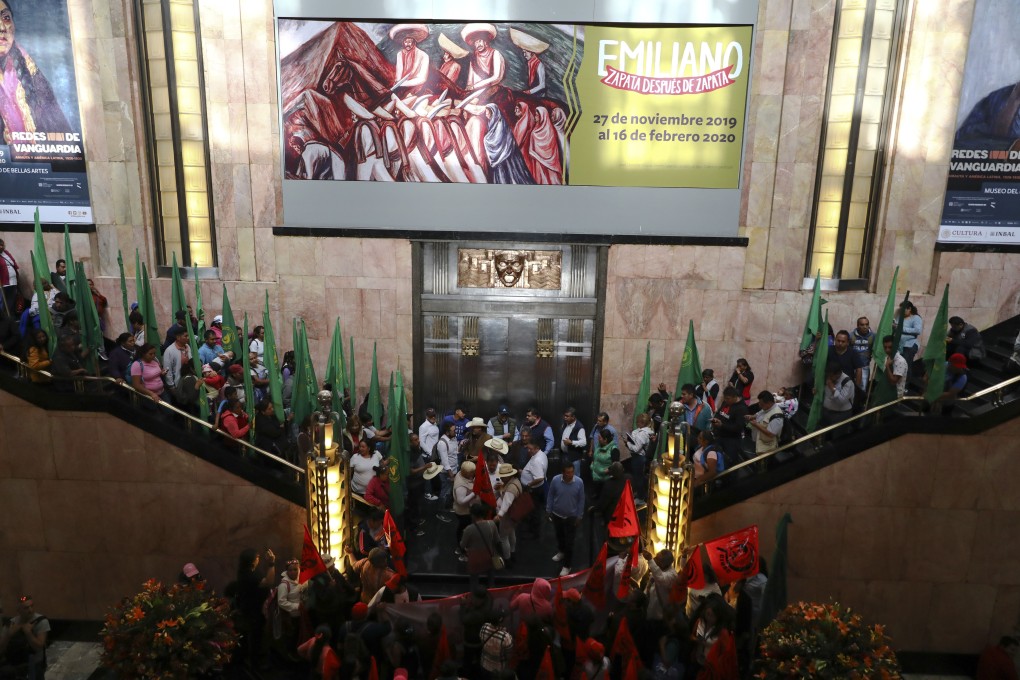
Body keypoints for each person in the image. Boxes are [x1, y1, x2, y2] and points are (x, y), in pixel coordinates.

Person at [234, 547, 276, 667]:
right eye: (257, 557)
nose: (259, 559)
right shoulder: (248, 575)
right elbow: (269, 581)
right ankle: (255, 663)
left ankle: (254, 661)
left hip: (254, 610)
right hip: (253, 611)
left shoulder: (250, 571)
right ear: (251, 561)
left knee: (256, 636)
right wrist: (271, 563)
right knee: (256, 637)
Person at [546, 461, 584, 576]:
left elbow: (581, 500)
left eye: (572, 472)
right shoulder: (555, 480)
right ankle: (561, 552)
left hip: (571, 517)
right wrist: (548, 510)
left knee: (570, 542)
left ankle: (567, 565)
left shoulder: (579, 482)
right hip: (557, 515)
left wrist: (579, 516)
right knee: (560, 536)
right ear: (562, 473)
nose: (570, 474)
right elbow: (550, 495)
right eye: (568, 472)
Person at [0, 595, 49, 679]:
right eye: (26, 608)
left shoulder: (40, 621)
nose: (30, 610)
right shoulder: (11, 623)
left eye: (31, 606)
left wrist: (28, 633)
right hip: (14, 663)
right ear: (19, 610)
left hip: (34, 663)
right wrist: (8, 635)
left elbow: (39, 647)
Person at [461, 503, 502, 589]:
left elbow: (462, 545)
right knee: (491, 577)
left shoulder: (469, 529)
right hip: (489, 556)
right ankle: (492, 591)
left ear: (473, 515)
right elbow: (497, 540)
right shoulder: (492, 524)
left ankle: (475, 593)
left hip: (474, 558)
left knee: (474, 579)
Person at [711, 386, 749, 468]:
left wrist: (722, 425)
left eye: (728, 398)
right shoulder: (726, 402)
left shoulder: (742, 409)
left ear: (735, 397)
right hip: (720, 436)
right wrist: (715, 419)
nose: (725, 400)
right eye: (725, 398)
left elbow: (738, 428)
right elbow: (719, 412)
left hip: (732, 441)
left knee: (730, 463)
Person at [746, 391, 784, 458]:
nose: (759, 405)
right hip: (758, 441)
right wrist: (752, 416)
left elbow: (771, 434)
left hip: (766, 447)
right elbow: (759, 414)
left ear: (769, 403)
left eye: (761, 404)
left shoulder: (777, 417)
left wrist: (756, 424)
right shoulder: (766, 408)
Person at [453, 461, 479, 557]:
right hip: (463, 511)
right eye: (472, 473)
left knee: (463, 527)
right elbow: (461, 501)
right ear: (467, 473)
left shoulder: (461, 474)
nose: (474, 474)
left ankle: (462, 545)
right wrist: (474, 493)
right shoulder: (461, 486)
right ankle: (462, 548)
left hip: (465, 510)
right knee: (463, 528)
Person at [819, 362, 855, 432]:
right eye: (828, 375)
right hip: (826, 412)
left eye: (831, 376)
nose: (829, 378)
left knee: (837, 435)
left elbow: (841, 401)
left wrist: (833, 388)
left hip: (840, 415)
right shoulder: (828, 378)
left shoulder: (847, 382)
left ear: (838, 374)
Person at [479, 607, 514, 677]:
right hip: (498, 669)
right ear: (501, 620)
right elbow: (509, 655)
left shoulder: (484, 627)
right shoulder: (505, 637)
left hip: (484, 664)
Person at [437, 420, 458, 516]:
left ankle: (447, 508)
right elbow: (445, 461)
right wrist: (451, 474)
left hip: (454, 470)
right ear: (447, 432)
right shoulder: (442, 443)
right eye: (453, 430)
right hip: (446, 472)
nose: (455, 432)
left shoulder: (453, 438)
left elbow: (455, 453)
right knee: (445, 492)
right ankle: (440, 512)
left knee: (449, 491)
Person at [894, 301, 922, 373]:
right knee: (898, 366)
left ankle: (907, 380)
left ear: (909, 309)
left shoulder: (915, 318)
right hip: (899, 345)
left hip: (909, 345)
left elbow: (917, 330)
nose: (901, 311)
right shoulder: (900, 317)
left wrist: (901, 328)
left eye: (903, 309)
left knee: (906, 366)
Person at [162, 327, 190, 393]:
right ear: (178, 337)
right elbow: (167, 370)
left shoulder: (187, 347)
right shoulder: (169, 351)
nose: (188, 338)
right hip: (178, 384)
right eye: (185, 336)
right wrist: (171, 386)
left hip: (188, 381)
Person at [880, 334, 908, 398]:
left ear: (895, 346)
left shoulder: (900, 361)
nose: (887, 350)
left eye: (890, 347)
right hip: (885, 392)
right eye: (885, 347)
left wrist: (887, 366)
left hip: (895, 396)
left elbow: (893, 382)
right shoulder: (887, 357)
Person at [850, 317, 875, 386]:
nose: (865, 327)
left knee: (863, 388)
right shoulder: (851, 336)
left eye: (867, 324)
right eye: (862, 325)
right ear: (857, 326)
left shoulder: (873, 336)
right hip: (852, 366)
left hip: (864, 366)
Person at [0, 238, 19, 320]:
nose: (1, 247)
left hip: (13, 282)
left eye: (2, 245)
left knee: (11, 302)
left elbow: (13, 264)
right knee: (3, 303)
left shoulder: (6, 253)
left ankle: (10, 319)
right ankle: (3, 320)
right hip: (3, 283)